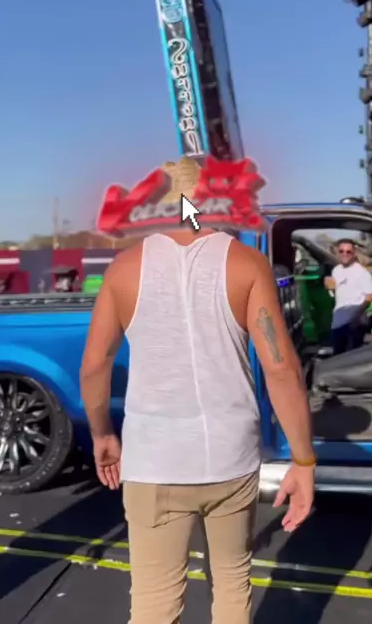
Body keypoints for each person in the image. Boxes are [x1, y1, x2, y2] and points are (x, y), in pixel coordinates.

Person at [80, 159, 315, 624]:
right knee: (231, 585)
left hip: (154, 461)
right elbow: (281, 368)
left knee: (154, 605)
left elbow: (94, 366)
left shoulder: (124, 269)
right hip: (230, 457)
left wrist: (103, 433)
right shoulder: (247, 263)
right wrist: (304, 462)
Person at [325, 238, 372, 355]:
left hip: (353, 324)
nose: (345, 254)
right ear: (337, 252)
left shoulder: (362, 273)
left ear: (354, 253)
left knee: (351, 358)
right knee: (338, 355)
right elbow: (339, 293)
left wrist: (356, 319)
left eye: (348, 252)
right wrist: (330, 288)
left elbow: (370, 297)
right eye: (341, 251)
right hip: (337, 322)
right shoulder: (336, 270)